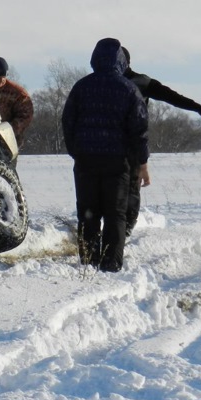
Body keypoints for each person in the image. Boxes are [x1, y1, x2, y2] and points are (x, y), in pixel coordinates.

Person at [61, 38, 149, 272]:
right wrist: (142, 162)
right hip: (116, 164)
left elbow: (68, 122)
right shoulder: (129, 89)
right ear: (120, 61)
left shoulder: (81, 87)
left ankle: (89, 262)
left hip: (86, 162)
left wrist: (76, 152)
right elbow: (139, 130)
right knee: (115, 214)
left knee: (87, 214)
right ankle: (111, 264)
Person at [121, 46, 201, 236]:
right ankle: (118, 238)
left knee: (126, 196)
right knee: (128, 197)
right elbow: (171, 96)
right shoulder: (132, 81)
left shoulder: (137, 82)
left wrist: (197, 108)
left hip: (125, 149)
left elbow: (171, 96)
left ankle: (117, 238)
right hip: (127, 150)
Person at [0, 56, 33, 147]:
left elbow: (26, 114)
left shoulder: (17, 93)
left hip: (8, 142)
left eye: (3, 77)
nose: (1, 80)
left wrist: (8, 131)